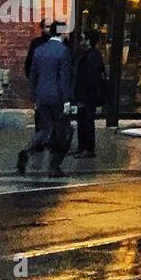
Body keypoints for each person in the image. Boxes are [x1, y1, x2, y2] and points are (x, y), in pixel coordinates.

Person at [18, 25, 74, 176]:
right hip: (57, 98)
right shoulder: (64, 51)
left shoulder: (39, 50)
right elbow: (64, 78)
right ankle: (54, 167)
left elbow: (33, 74)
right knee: (63, 132)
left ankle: (27, 150)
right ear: (62, 33)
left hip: (42, 96)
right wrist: (67, 101)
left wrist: (35, 96)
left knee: (43, 129)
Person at [72, 29, 107, 157]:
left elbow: (91, 79)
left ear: (88, 40)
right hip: (84, 94)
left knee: (87, 121)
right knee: (82, 121)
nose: (81, 41)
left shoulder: (92, 55)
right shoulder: (85, 53)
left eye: (83, 38)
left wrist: (84, 96)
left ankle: (88, 148)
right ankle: (82, 147)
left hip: (88, 95)